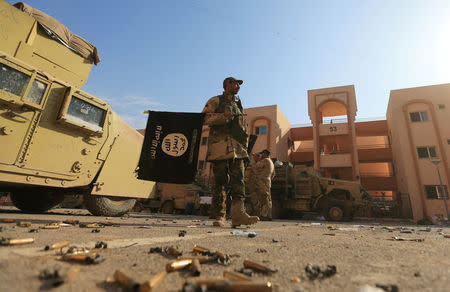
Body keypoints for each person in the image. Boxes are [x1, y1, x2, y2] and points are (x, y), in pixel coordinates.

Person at [202, 77, 259, 227]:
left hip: (238, 150)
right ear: (227, 85)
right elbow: (205, 118)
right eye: (235, 83)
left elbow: (242, 127)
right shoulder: (216, 100)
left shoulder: (238, 105)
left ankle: (238, 215)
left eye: (239, 84)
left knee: (239, 181)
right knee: (220, 182)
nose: (238, 86)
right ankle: (220, 216)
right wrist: (222, 117)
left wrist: (245, 146)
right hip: (220, 148)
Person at [253, 149, 275, 220]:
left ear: (265, 154)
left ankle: (264, 215)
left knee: (264, 198)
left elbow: (255, 167)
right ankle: (269, 215)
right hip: (268, 181)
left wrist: (256, 160)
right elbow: (273, 174)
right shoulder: (271, 162)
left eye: (262, 154)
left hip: (263, 181)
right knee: (268, 198)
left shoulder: (265, 160)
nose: (261, 155)